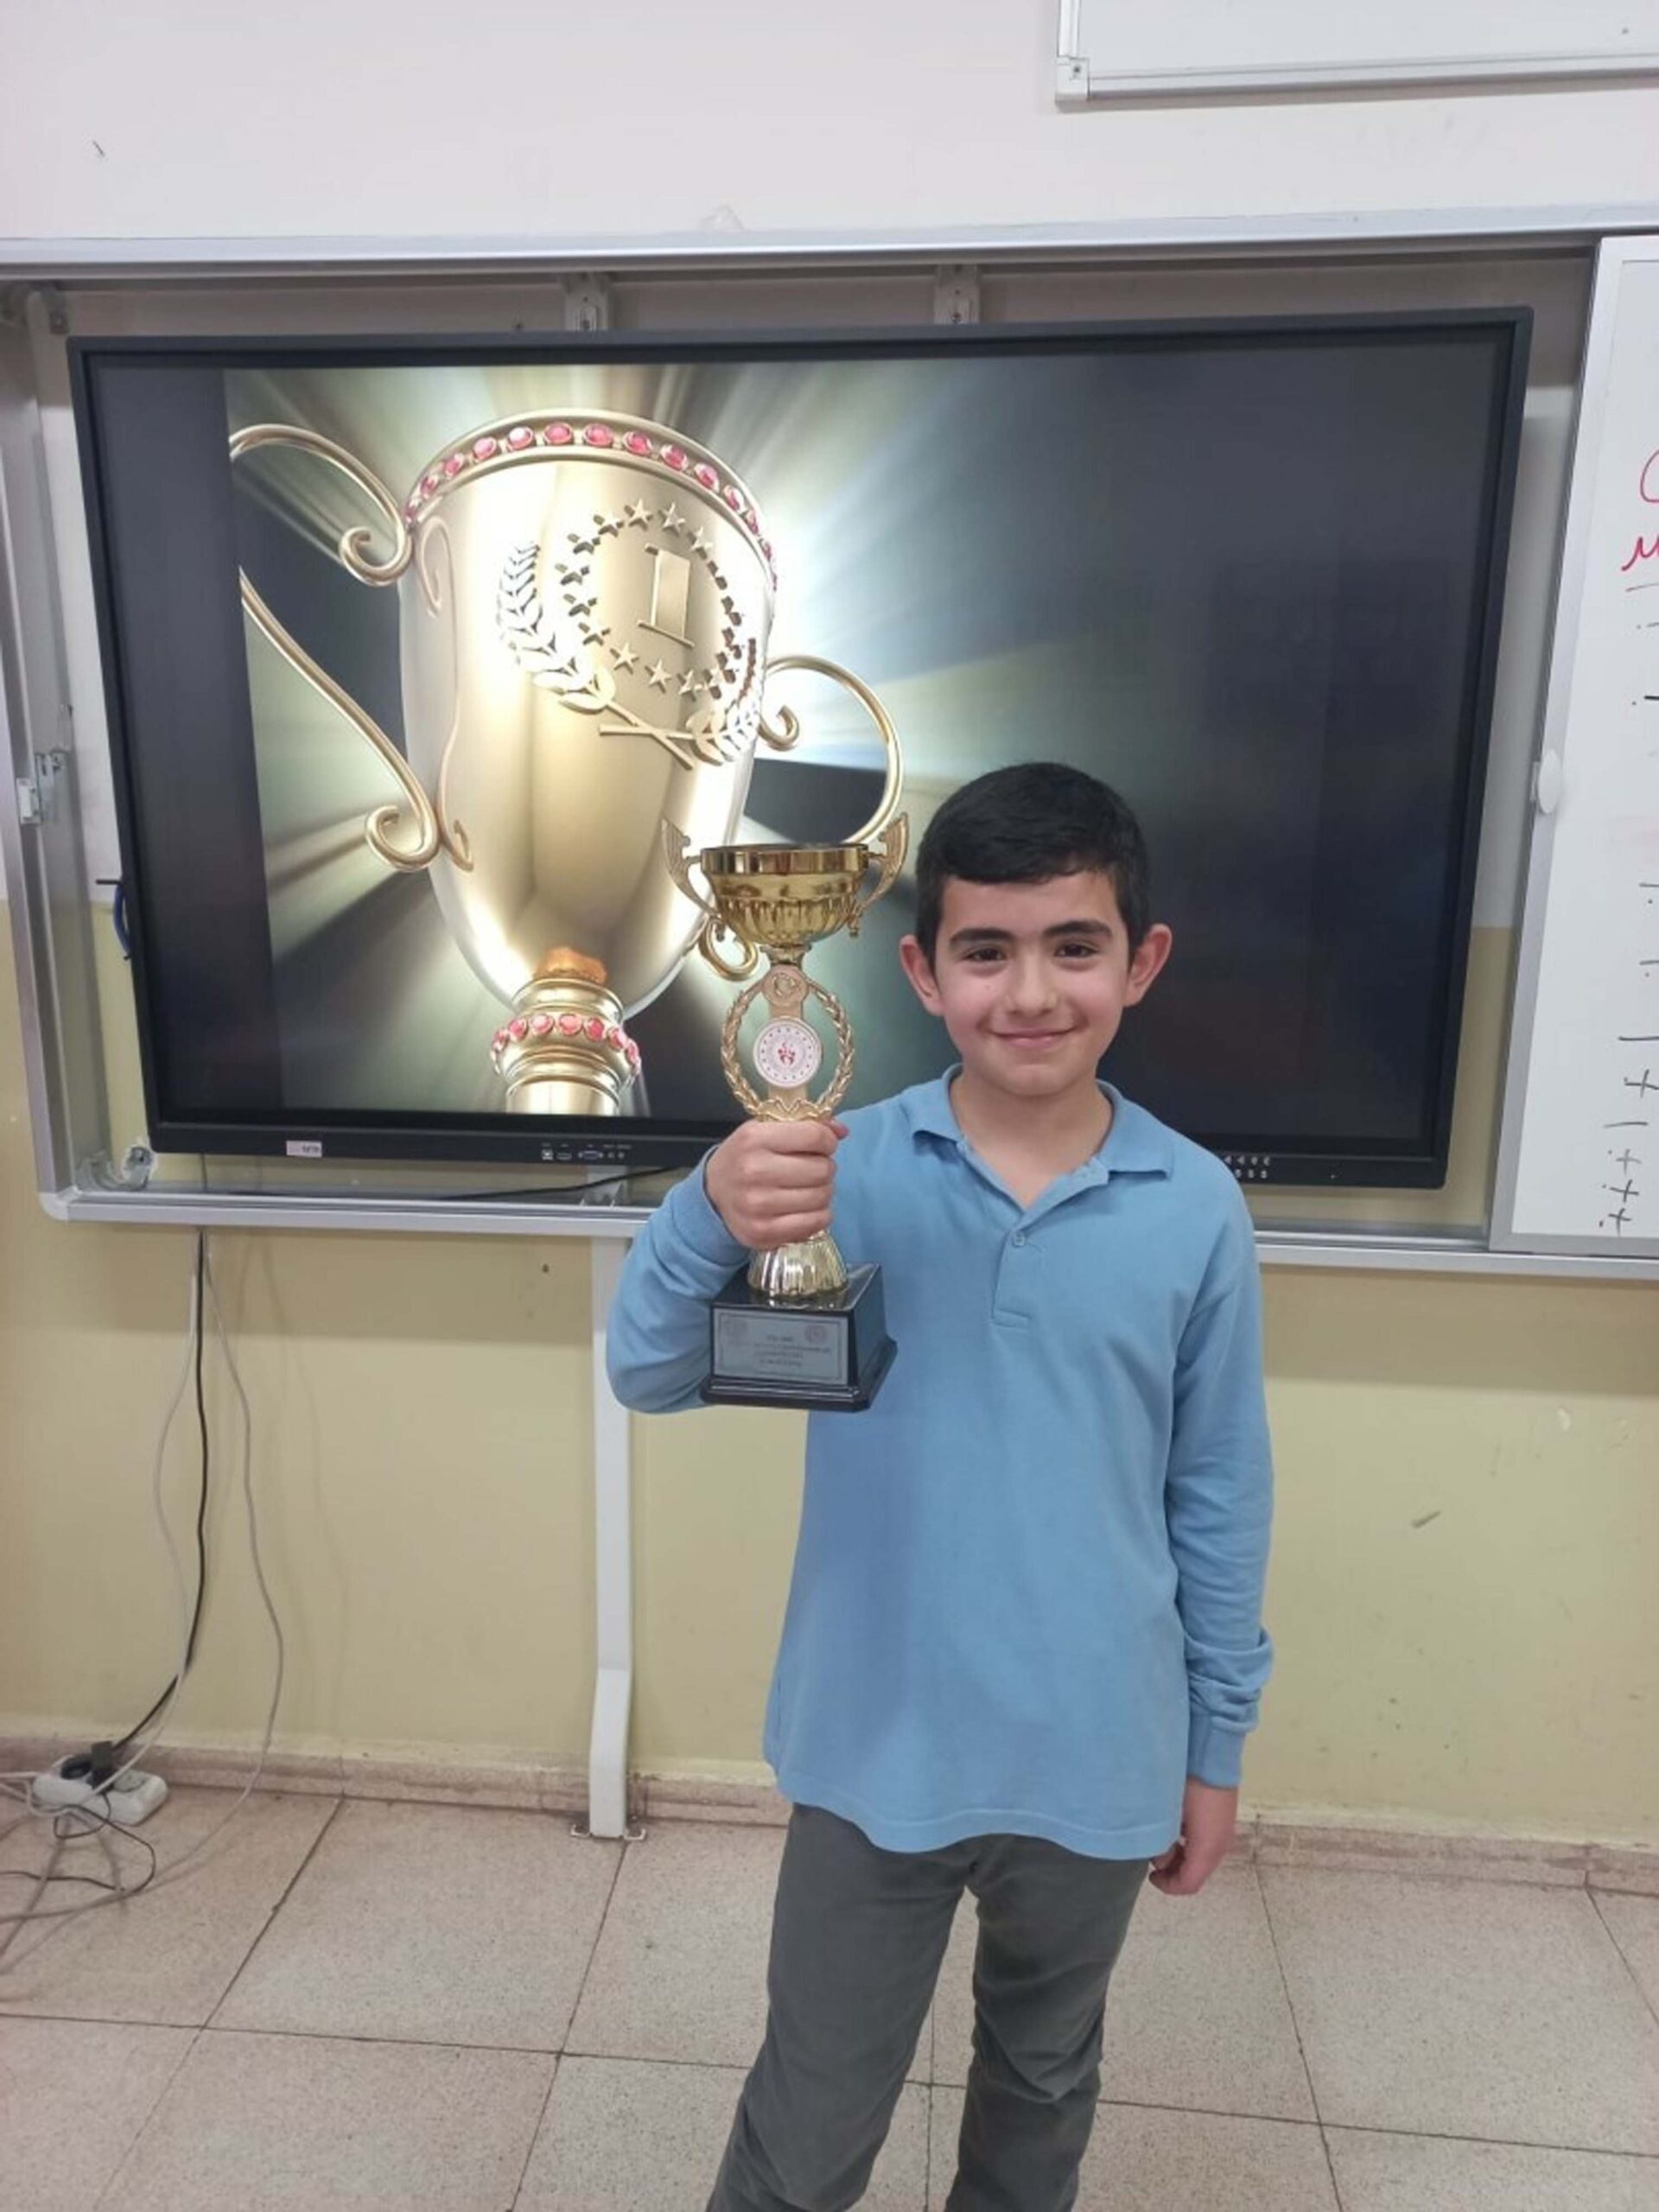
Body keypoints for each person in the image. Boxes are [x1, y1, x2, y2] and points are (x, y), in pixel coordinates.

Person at [607, 760, 1275, 2212]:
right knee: (809, 2120)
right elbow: (647, 1369)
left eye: (1074, 945)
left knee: (1041, 2093)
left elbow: (1219, 1492)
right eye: (986, 950)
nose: (1029, 992)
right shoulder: (838, 1169)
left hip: (1098, 1749)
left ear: (1142, 961)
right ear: (921, 972)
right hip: (874, 1744)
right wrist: (707, 1205)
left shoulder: (1196, 1208)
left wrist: (1215, 1744)